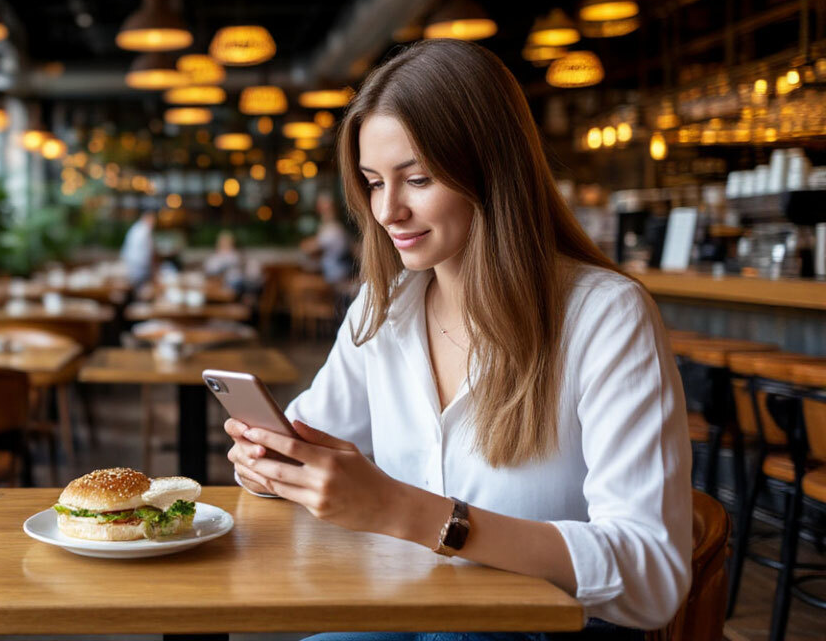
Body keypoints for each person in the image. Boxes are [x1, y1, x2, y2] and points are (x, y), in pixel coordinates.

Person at [224, 39, 691, 641]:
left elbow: (652, 577)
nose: (387, 210)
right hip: (410, 609)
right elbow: (304, 437)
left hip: (549, 626)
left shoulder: (605, 317)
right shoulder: (384, 307)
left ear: (491, 173)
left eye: (416, 179)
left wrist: (404, 512)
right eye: (372, 182)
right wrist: (268, 463)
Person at [119, 208, 157, 287]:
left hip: (133, 265)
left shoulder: (136, 228)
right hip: (138, 266)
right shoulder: (143, 230)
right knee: (139, 288)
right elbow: (148, 251)